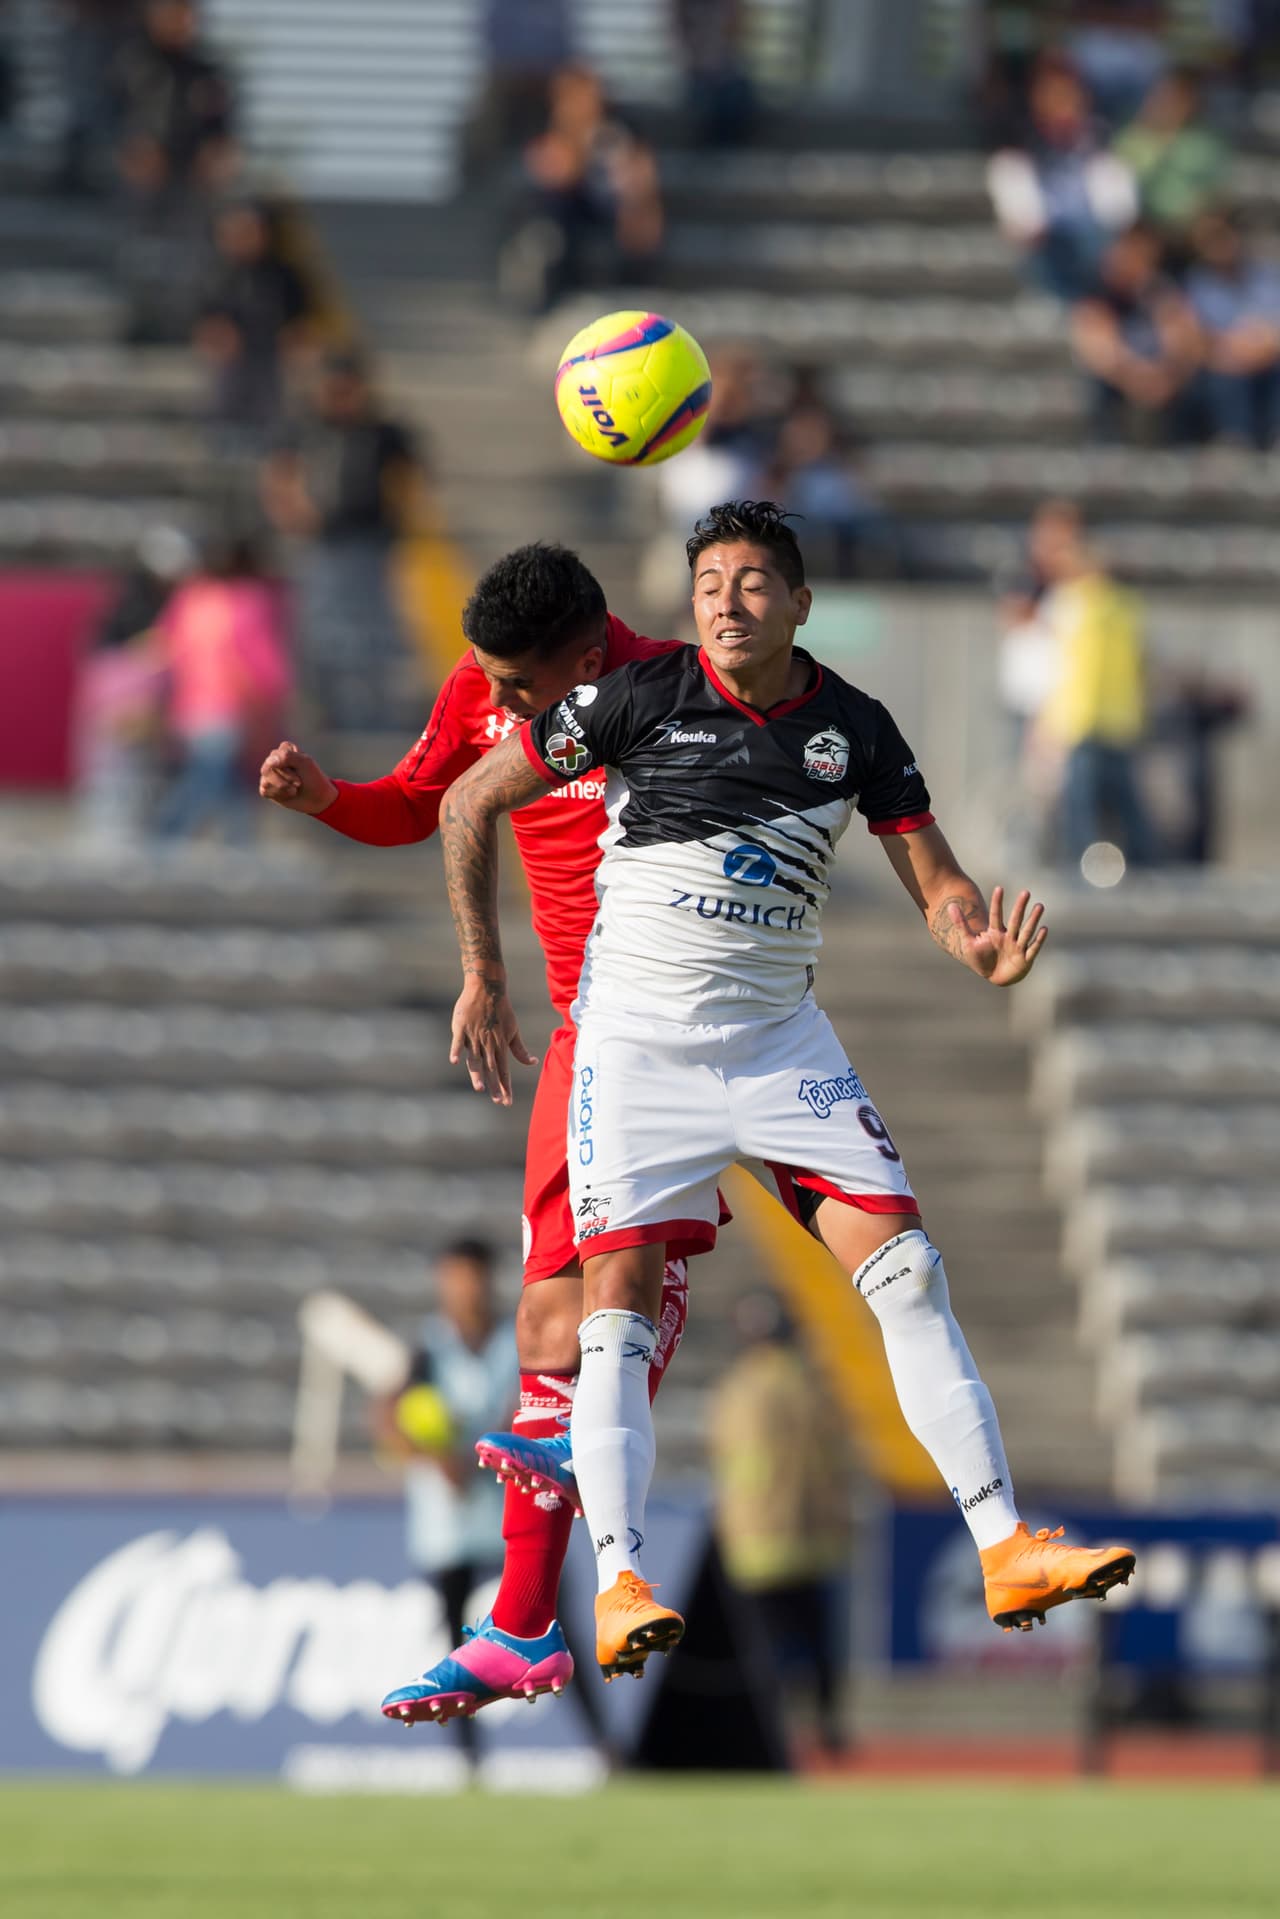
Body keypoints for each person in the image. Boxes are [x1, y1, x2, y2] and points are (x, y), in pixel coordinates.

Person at [438, 498, 1136, 1683]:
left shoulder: (851, 727)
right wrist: (482, 969)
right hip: (637, 1049)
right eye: (708, 581)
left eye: (752, 581)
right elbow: (466, 800)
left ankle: (1004, 1544)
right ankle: (616, 1584)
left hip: (775, 1047)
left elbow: (936, 875)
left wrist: (969, 939)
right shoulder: (631, 702)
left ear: (798, 603)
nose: (724, 599)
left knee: (908, 1269)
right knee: (614, 1304)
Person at [258, 542, 694, 1722]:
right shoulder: (483, 684)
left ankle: (596, 1560)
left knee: (624, 1292)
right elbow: (424, 801)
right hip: (585, 1031)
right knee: (549, 1321)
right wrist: (327, 801)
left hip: (685, 1022)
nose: (496, 707)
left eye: (518, 689)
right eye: (488, 684)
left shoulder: (676, 694)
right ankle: (517, 1621)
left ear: (590, 660)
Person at [371, 1239, 523, 1749]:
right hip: (450, 1518)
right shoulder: (430, 1348)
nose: (465, 1289)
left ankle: (605, 1746)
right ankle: (469, 1755)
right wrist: (435, 1456)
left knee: (547, 1618)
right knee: (456, 1643)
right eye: (455, 1278)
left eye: (472, 1277)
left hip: (510, 1506)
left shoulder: (513, 1338)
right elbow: (390, 1415)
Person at [709, 1293, 852, 1755]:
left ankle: (774, 1735)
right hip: (812, 1539)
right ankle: (827, 1727)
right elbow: (835, 1463)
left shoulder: (733, 1391)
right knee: (820, 1645)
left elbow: (723, 1462)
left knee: (765, 1652)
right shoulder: (813, 1388)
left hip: (753, 1545)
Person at [261, 350, 418, 734]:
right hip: (319, 546)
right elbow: (278, 474)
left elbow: (409, 480)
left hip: (369, 544)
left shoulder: (384, 433)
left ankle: (370, 714)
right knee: (318, 634)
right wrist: (294, 511)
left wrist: (398, 519)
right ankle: (324, 713)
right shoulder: (304, 429)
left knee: (369, 635)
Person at [1028, 499, 1156, 868]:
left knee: (1080, 815)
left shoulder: (1072, 603)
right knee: (1128, 812)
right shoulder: (1127, 605)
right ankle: (1146, 874)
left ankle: (1081, 878)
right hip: (1121, 723)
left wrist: (1047, 726)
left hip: (1081, 723)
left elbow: (1063, 672)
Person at [152, 533, 291, 843]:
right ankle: (165, 837)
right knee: (209, 778)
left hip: (192, 707)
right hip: (229, 707)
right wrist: (273, 698)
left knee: (230, 781)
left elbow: (169, 650)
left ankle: (238, 844)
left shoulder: (191, 598)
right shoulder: (248, 601)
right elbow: (260, 660)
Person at [1069, 222, 1200, 441]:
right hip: (1123, 377)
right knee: (1097, 387)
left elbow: (1186, 340)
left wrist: (1168, 376)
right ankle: (1107, 446)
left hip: (1164, 375)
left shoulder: (1161, 290)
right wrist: (1137, 379)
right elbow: (1102, 352)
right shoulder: (1098, 293)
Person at [195, 197, 312, 441]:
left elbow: (300, 323)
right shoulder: (216, 277)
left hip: (272, 360)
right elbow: (206, 322)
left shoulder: (284, 275)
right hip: (231, 361)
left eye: (247, 232)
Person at [1185, 210, 1280, 448]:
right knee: (1223, 376)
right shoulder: (1196, 284)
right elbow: (1197, 340)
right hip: (1221, 366)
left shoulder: (1267, 278)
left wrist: (1254, 350)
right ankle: (1234, 440)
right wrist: (1237, 351)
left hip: (1267, 362)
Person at [1111, 68, 1229, 250]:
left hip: (1193, 234)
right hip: (1142, 232)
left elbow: (1216, 193)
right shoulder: (1130, 141)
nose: (1169, 104)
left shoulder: (1204, 144)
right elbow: (1120, 193)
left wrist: (1197, 219)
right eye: (1164, 96)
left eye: (1179, 99)